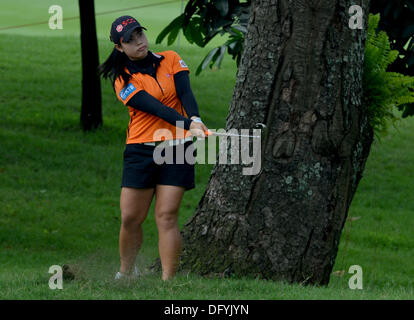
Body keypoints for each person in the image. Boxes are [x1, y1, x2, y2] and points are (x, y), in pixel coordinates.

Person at [98, 15, 209, 281]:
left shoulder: (171, 58)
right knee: (131, 218)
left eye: (140, 35)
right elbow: (155, 108)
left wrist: (195, 119)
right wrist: (187, 123)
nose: (139, 42)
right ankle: (126, 272)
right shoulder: (122, 80)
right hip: (141, 149)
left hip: (178, 148)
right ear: (119, 47)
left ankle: (168, 282)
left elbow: (185, 94)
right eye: (130, 40)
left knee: (167, 216)